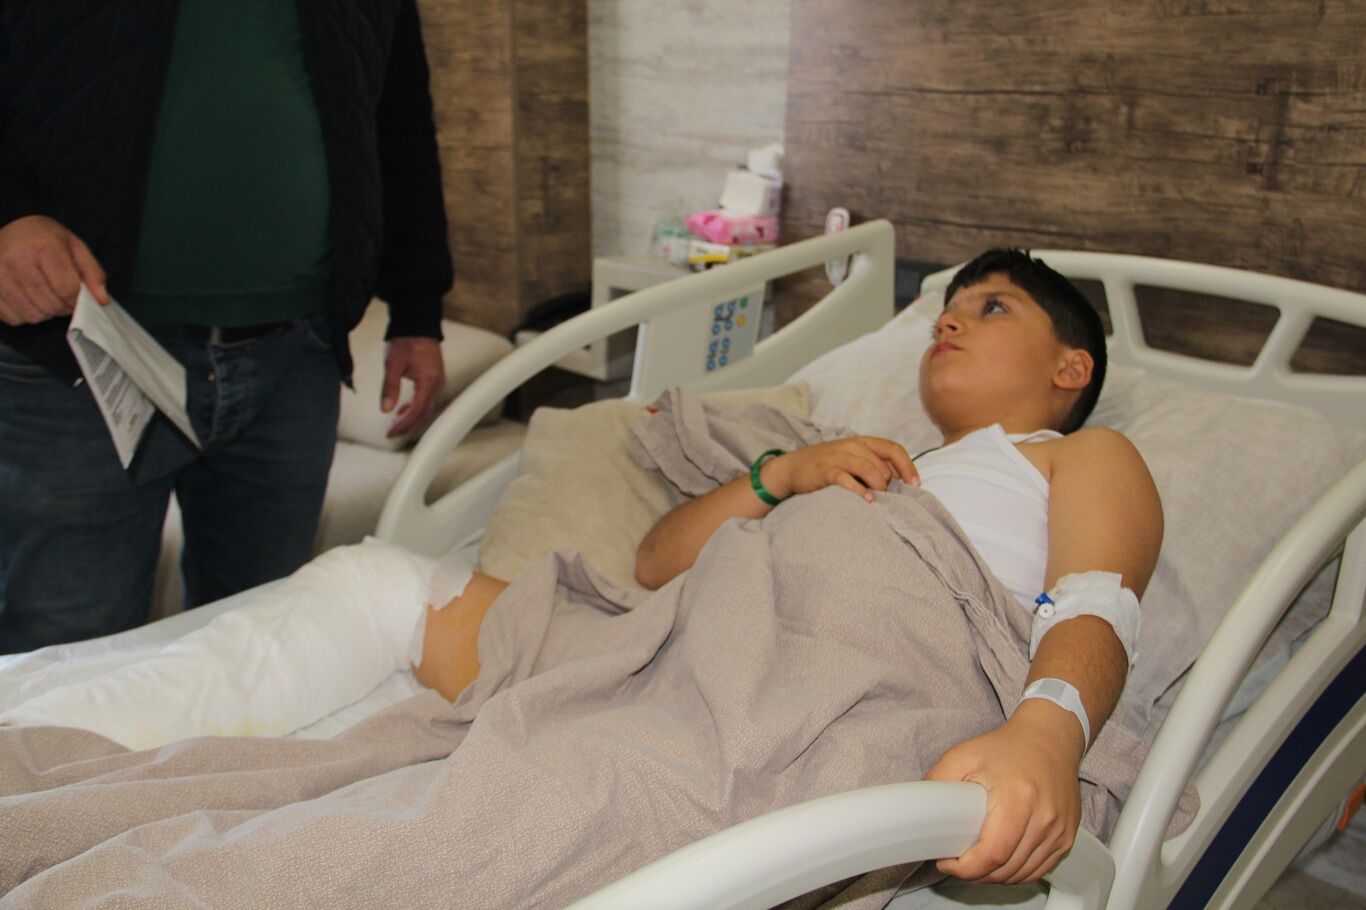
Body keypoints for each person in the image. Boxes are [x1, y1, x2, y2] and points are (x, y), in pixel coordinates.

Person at [411, 248, 1163, 886]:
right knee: (429, 623)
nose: (947, 323)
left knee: (565, 819)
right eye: (945, 312)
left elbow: (1096, 603)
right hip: (700, 648)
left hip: (839, 685)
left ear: (1071, 366)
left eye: (992, 307)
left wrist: (1047, 735)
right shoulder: (864, 457)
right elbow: (655, 564)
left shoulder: (1075, 455)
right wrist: (784, 475)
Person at [0, 0, 453, 652]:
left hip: (293, 358)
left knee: (260, 650)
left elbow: (397, 119)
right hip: (79, 353)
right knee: (66, 657)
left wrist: (417, 309)